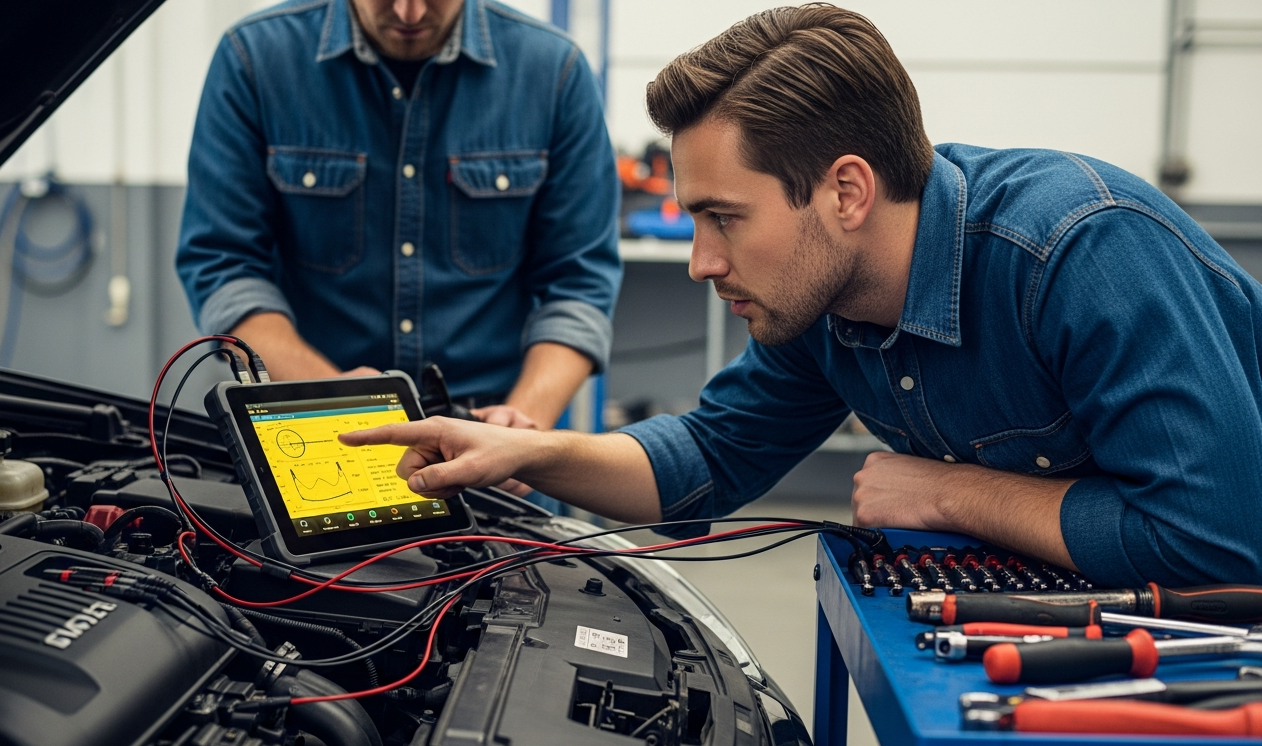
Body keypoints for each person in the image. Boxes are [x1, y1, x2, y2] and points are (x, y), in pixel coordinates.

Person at [338, 4, 1262, 588]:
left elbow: (1215, 542)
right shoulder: (824, 302)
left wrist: (951, 494)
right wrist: (518, 452)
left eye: (722, 218)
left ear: (846, 192)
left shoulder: (1078, 251)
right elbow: (703, 458)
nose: (701, 261)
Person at [176, 0, 621, 432]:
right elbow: (224, 265)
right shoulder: (254, 58)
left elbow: (579, 284)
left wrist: (520, 427)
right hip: (310, 429)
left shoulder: (554, 71)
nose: (410, 12)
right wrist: (333, 400)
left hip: (492, 433)